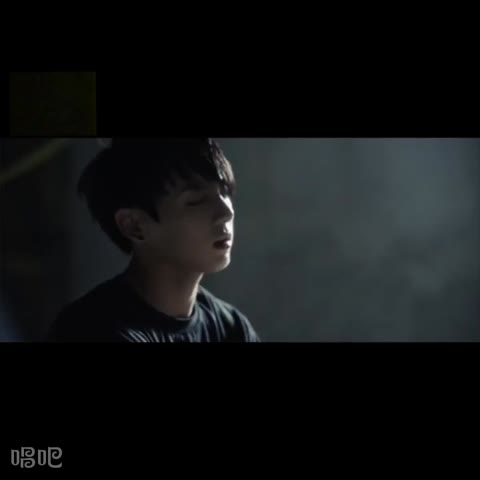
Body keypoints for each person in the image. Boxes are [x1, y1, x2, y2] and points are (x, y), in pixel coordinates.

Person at [48, 138, 259, 342]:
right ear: (134, 226)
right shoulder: (90, 329)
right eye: (196, 201)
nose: (226, 212)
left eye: (225, 193)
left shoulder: (232, 328)